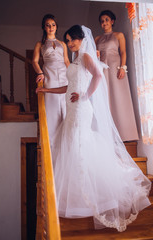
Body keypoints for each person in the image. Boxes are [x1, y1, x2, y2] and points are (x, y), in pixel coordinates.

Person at [36, 25, 151, 232]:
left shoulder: (87, 57)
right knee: (73, 145)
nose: (70, 43)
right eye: (68, 40)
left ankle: (91, 195)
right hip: (73, 107)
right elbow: (69, 87)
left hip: (81, 108)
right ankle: (79, 193)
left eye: (73, 40)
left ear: (82, 40)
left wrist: (85, 96)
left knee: (79, 144)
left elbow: (98, 75)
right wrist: (46, 89)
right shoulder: (76, 60)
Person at [95, 10, 139, 142]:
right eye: (102, 21)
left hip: (116, 69)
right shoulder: (97, 39)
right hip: (102, 70)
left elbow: (123, 52)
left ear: (112, 21)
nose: (104, 23)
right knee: (105, 99)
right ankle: (107, 133)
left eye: (107, 20)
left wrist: (123, 68)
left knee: (119, 99)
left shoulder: (119, 35)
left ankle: (125, 134)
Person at [32, 14, 70, 147]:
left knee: (66, 108)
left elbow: (66, 61)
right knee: (52, 109)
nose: (51, 27)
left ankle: (66, 144)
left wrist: (73, 75)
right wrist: (40, 73)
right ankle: (51, 145)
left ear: (56, 26)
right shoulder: (40, 44)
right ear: (44, 27)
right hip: (49, 75)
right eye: (48, 25)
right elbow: (35, 61)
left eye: (53, 25)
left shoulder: (63, 44)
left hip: (64, 76)